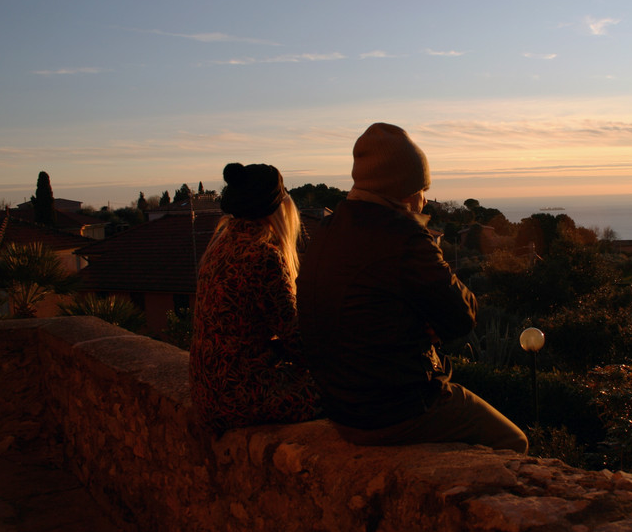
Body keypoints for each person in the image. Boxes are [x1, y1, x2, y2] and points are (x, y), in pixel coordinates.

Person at [297, 123, 527, 452]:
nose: (425, 198)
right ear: (406, 190)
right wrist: (428, 247)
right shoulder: (402, 234)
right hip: (396, 413)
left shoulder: (329, 227)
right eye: (423, 188)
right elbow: (462, 318)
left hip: (341, 410)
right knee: (513, 441)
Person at [189, 162, 320, 434]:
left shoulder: (220, 245)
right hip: (241, 398)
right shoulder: (264, 255)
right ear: (279, 208)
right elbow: (297, 342)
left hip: (209, 394)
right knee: (347, 391)